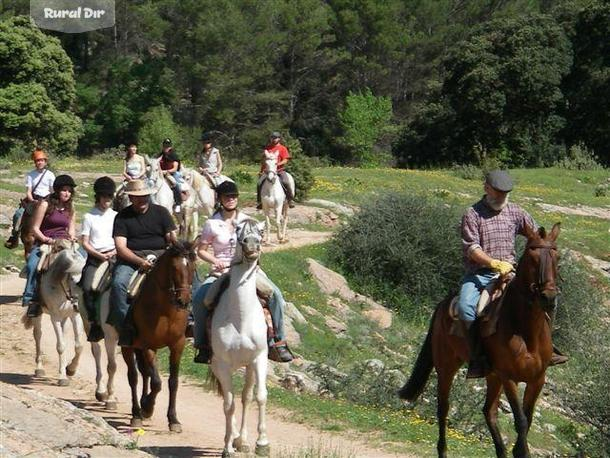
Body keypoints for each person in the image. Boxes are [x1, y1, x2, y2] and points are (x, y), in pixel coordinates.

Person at [460, 170, 568, 378]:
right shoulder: (472, 214)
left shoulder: (516, 213)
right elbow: (471, 247)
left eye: (505, 193)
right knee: (466, 307)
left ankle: (548, 349)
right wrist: (492, 262)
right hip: (480, 275)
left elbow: (537, 236)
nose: (501, 197)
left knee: (548, 301)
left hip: (510, 272)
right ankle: (478, 358)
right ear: (486, 188)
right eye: (497, 192)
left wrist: (545, 246)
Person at [192, 180, 294, 364]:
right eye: (227, 196)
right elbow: (201, 250)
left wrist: (255, 261)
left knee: (276, 296)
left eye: (233, 196)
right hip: (221, 271)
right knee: (200, 299)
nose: (231, 199)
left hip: (248, 270)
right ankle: (202, 346)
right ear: (220, 199)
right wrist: (216, 261)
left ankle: (279, 342)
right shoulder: (211, 224)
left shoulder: (248, 220)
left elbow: (257, 246)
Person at [107, 179, 177, 345]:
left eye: (145, 196)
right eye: (138, 197)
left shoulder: (161, 212)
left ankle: (190, 319)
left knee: (189, 276)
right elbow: (121, 247)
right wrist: (140, 262)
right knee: (118, 284)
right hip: (132, 257)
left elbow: (171, 236)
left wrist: (175, 244)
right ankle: (126, 326)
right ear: (130, 198)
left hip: (160, 255)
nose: (142, 200)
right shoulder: (122, 217)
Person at [22, 174, 77, 318]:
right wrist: (46, 239)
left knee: (82, 264)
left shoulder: (71, 207)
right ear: (57, 190)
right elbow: (35, 228)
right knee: (33, 265)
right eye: (64, 190)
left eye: (69, 191)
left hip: (64, 243)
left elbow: (71, 228)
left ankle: (82, 298)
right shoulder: (45, 205)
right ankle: (32, 299)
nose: (67, 193)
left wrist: (72, 237)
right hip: (45, 242)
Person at [80, 177, 117, 342]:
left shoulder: (116, 216)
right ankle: (95, 323)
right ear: (98, 197)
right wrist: (99, 255)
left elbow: (121, 238)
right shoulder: (89, 216)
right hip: (96, 258)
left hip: (115, 255)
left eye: (109, 196)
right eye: (104, 196)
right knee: (88, 288)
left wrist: (115, 251)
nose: (107, 200)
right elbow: (85, 242)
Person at [5, 148, 56, 249]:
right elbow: (28, 191)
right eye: (37, 160)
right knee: (18, 214)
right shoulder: (31, 175)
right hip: (34, 200)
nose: (39, 162)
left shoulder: (50, 175)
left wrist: (49, 201)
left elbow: (52, 191)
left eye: (41, 160)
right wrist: (32, 200)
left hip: (47, 200)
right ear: (35, 162)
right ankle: (14, 236)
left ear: (45, 162)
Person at [256, 131, 295, 209]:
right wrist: (261, 171)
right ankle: (260, 201)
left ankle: (290, 200)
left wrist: (277, 164)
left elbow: (285, 160)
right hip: (268, 171)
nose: (273, 139)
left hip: (279, 170)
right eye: (272, 138)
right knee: (259, 183)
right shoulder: (267, 148)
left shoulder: (282, 148)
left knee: (286, 182)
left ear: (279, 139)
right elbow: (264, 161)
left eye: (275, 138)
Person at [158, 138, 184, 212]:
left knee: (175, 183)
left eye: (168, 146)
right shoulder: (160, 155)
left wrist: (165, 171)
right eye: (165, 146)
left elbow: (175, 168)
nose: (166, 147)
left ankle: (178, 203)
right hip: (161, 174)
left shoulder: (174, 156)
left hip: (172, 173)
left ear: (171, 147)